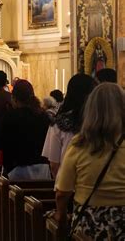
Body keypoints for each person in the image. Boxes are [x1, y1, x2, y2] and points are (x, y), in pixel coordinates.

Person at [54, 83, 125, 239]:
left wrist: (61, 215)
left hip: (90, 222)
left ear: (91, 109)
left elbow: (62, 192)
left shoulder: (80, 143)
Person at [42, 73, 95, 178]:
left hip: (66, 184)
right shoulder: (101, 120)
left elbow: (54, 164)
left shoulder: (59, 123)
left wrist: (61, 184)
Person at [0, 80, 51, 179]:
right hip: (42, 169)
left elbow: (2, 145)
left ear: (14, 98)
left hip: (16, 170)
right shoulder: (43, 116)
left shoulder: (9, 117)